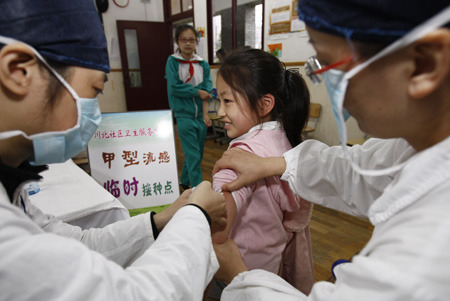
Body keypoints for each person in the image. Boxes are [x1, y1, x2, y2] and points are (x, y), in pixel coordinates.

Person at [212, 0, 450, 300]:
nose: (324, 78)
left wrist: (237, 273)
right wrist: (276, 165)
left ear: (423, 64)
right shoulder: (416, 146)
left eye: (328, 63)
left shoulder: (433, 243)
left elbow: (221, 221)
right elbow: (360, 168)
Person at [0, 1, 227, 300]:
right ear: (19, 72)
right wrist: (197, 215)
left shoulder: (13, 195)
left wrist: (162, 219)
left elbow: (79, 243)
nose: (93, 114)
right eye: (93, 91)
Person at [210, 48, 314, 296]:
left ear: (265, 104)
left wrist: (198, 203)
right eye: (219, 100)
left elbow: (219, 228)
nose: (220, 111)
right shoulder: (286, 137)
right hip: (270, 265)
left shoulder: (244, 153)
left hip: (238, 271)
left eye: (227, 101)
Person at [165, 24, 213, 190]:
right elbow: (174, 87)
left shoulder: (203, 64)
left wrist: (206, 113)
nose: (188, 43)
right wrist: (196, 92)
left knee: (197, 155)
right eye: (183, 40)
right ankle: (199, 190)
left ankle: (184, 181)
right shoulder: (172, 61)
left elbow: (207, 87)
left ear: (196, 42)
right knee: (193, 155)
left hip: (200, 117)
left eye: (191, 40)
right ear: (178, 41)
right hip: (184, 117)